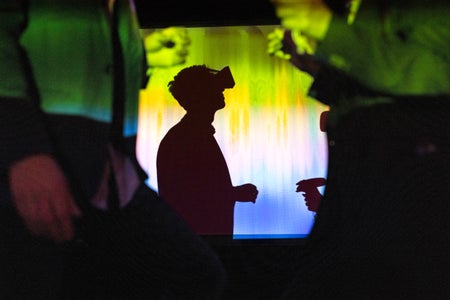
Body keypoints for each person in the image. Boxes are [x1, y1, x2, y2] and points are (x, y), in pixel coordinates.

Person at [0, 1, 225, 299]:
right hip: (49, 162)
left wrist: (141, 55)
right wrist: (25, 152)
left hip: (110, 170)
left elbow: (76, 60)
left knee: (196, 275)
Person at [269, 0, 450, 298]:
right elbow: (371, 85)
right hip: (364, 174)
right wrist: (312, 61)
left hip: (408, 175)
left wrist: (328, 30)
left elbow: (423, 72)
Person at [156, 65, 259, 236]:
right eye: (210, 85)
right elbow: (189, 198)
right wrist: (233, 193)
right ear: (201, 95)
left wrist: (231, 193)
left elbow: (197, 189)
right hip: (200, 246)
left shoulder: (188, 135)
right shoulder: (186, 138)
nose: (220, 90)